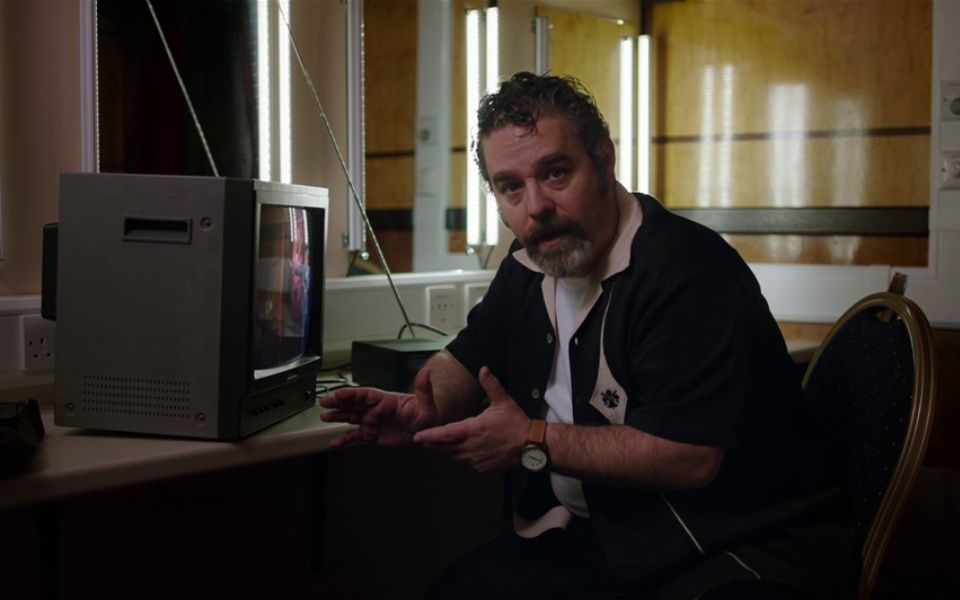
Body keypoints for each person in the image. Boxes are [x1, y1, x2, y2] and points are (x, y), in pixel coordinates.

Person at [320, 72, 857, 599]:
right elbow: (470, 354)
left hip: (734, 545)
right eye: (511, 187)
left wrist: (531, 439)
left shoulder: (687, 271)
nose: (536, 206)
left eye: (555, 173)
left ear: (604, 160)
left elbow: (690, 456)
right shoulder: (527, 266)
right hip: (603, 537)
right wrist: (425, 404)